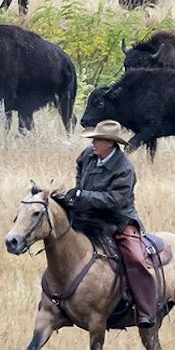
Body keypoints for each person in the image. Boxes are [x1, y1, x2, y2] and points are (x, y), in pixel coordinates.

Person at [55, 119, 160, 328]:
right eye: (93, 139)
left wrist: (83, 195)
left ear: (110, 143)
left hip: (118, 220)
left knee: (136, 259)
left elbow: (115, 201)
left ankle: (145, 311)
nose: (93, 143)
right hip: (88, 217)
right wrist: (78, 191)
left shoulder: (125, 168)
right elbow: (79, 169)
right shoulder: (88, 155)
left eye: (98, 140)